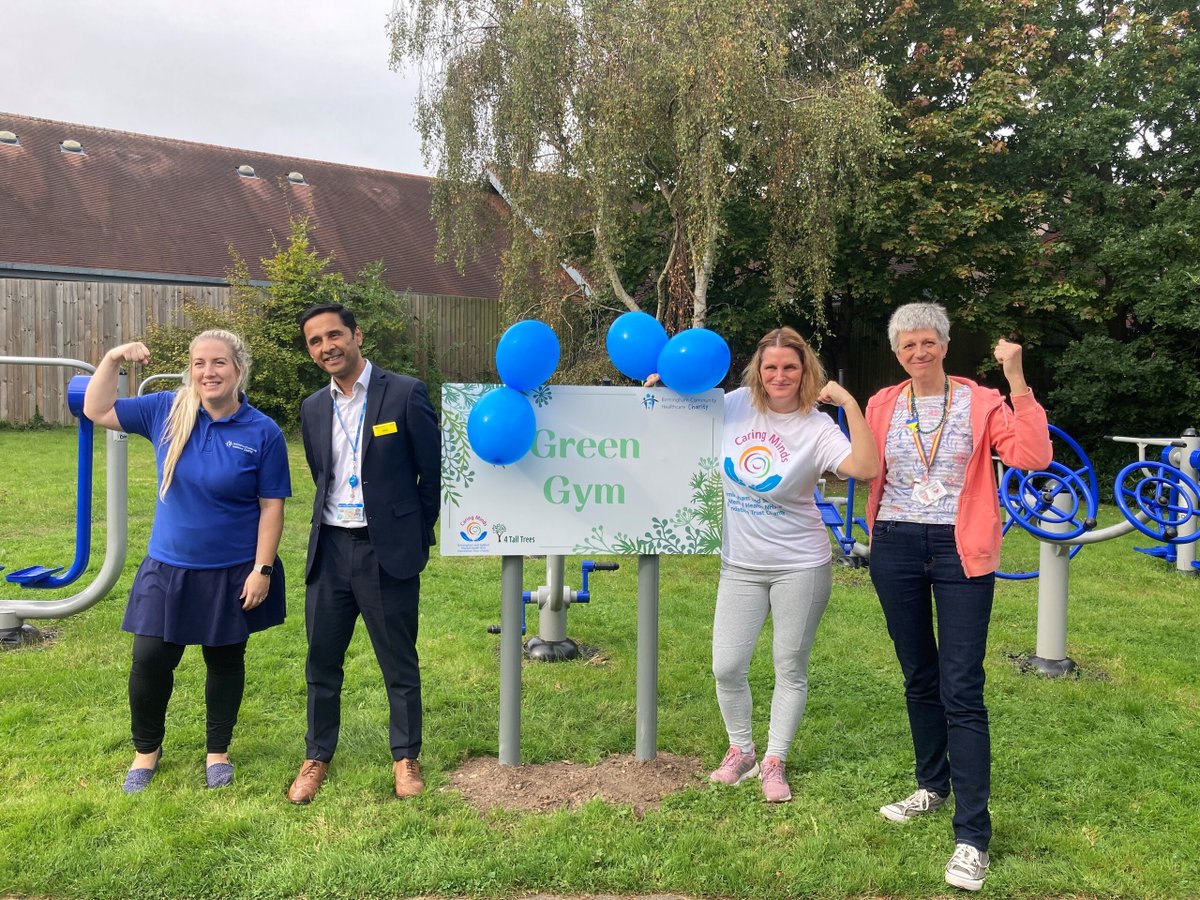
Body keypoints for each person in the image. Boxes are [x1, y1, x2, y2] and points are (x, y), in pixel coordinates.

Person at [864, 303, 1052, 892]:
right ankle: (931, 785)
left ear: (944, 345)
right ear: (897, 353)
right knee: (919, 675)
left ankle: (972, 836)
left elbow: (1033, 456)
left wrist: (1017, 380)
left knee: (962, 687)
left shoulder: (980, 401)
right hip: (894, 546)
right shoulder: (880, 404)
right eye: (907, 346)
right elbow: (861, 463)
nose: (918, 353)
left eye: (928, 342)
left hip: (958, 549)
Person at [83, 331, 290, 793]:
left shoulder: (262, 432)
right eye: (199, 363)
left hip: (233, 570)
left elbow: (271, 506)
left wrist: (262, 569)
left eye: (218, 363)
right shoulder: (166, 411)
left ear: (238, 369)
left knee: (224, 659)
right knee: (151, 657)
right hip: (168, 566)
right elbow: (96, 409)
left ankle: (217, 752)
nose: (207, 372)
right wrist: (114, 357)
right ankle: (146, 751)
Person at [702, 326, 878, 802]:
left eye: (790, 367)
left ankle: (775, 760)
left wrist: (851, 407)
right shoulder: (735, 405)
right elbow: (683, 416)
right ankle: (741, 752)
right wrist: (660, 388)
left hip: (799, 564)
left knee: (789, 665)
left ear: (806, 372)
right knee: (727, 666)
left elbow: (866, 467)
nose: (780, 376)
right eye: (771, 367)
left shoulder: (817, 427)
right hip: (739, 564)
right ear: (759, 371)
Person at [287, 303, 441, 804]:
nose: (326, 347)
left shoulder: (404, 393)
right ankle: (316, 756)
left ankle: (405, 756)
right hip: (330, 548)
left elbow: (432, 475)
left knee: (398, 661)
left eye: (334, 335)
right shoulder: (312, 407)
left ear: (356, 335)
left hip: (386, 551)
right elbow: (320, 473)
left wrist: (415, 535)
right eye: (315, 341)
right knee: (321, 662)